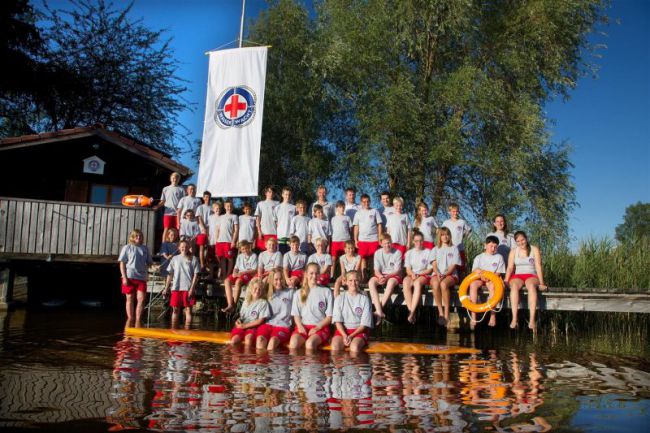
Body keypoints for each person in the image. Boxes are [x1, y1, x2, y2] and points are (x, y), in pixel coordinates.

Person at [505, 231, 547, 330]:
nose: (521, 242)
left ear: (526, 238)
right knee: (514, 287)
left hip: (531, 275)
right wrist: (506, 280)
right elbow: (510, 268)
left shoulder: (534, 249)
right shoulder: (514, 251)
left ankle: (532, 319)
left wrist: (541, 283)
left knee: (531, 286)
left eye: (522, 240)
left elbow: (538, 266)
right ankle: (514, 318)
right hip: (518, 275)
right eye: (518, 241)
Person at [288, 263, 334, 350]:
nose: (314, 276)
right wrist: (300, 326)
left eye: (316, 273)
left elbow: (329, 317)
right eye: (311, 273)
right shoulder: (298, 293)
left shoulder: (326, 291)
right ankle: (297, 364)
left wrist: (317, 328)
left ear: (319, 274)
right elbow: (296, 315)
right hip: (303, 326)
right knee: (293, 344)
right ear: (305, 274)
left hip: (320, 328)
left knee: (310, 344)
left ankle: (313, 363)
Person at [331, 270, 373, 353]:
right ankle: (340, 365)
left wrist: (351, 336)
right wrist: (344, 335)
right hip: (343, 331)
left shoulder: (364, 299)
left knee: (354, 348)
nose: (353, 283)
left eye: (356, 280)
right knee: (335, 347)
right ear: (346, 282)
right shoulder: (339, 298)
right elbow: (337, 321)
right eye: (350, 280)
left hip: (359, 331)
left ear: (359, 281)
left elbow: (364, 325)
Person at [469, 235, 506, 329]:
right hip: (479, 278)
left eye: (495, 247)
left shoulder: (499, 257)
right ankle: (473, 315)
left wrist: (490, 278)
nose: (493, 249)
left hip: (492, 279)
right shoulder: (479, 257)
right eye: (491, 246)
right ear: (485, 246)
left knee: (493, 287)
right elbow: (475, 269)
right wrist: (481, 275)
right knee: (473, 285)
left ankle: (492, 316)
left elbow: (499, 272)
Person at [118, 229, 153, 327]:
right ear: (132, 237)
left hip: (141, 277)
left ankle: (138, 320)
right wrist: (124, 277)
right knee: (130, 298)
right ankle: (130, 319)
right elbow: (122, 263)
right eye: (136, 236)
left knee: (141, 299)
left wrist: (152, 265)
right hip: (129, 276)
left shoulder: (145, 249)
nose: (139, 238)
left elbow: (149, 262)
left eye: (140, 236)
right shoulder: (127, 247)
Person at [164, 239, 200, 329]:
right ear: (179, 248)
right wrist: (166, 288)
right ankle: (174, 329)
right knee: (175, 310)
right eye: (182, 246)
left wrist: (192, 288)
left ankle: (187, 330)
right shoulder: (175, 259)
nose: (184, 248)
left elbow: (196, 275)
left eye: (186, 246)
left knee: (188, 310)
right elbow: (170, 274)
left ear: (189, 247)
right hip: (176, 287)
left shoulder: (194, 259)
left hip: (188, 288)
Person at [368, 233, 403, 324]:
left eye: (389, 243)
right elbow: (376, 270)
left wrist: (386, 277)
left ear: (391, 242)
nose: (387, 245)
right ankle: (380, 312)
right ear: (381, 244)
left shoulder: (397, 252)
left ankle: (379, 310)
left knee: (391, 282)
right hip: (382, 274)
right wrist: (380, 276)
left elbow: (397, 270)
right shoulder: (378, 253)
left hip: (393, 275)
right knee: (371, 282)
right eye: (385, 243)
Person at [430, 226, 461, 327]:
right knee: (435, 284)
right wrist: (438, 273)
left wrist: (445, 274)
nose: (445, 237)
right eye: (442, 235)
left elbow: (453, 265)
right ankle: (441, 313)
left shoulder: (454, 248)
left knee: (443, 284)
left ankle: (447, 313)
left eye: (447, 234)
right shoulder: (435, 249)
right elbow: (434, 264)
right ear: (439, 236)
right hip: (437, 273)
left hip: (451, 275)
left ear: (450, 236)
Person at [256, 270, 295, 350]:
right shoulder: (267, 293)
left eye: (281, 279)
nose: (279, 282)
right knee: (260, 341)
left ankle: (271, 362)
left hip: (283, 326)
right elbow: (256, 286)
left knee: (272, 342)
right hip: (268, 324)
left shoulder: (290, 292)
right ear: (271, 280)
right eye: (276, 279)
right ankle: (260, 362)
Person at [402, 232, 433, 324]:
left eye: (420, 241)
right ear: (413, 241)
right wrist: (412, 274)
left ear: (423, 241)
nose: (418, 243)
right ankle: (411, 311)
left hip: (424, 275)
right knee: (405, 281)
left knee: (417, 283)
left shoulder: (428, 252)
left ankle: (412, 312)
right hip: (412, 274)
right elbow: (408, 269)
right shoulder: (409, 253)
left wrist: (419, 275)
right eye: (416, 241)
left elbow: (430, 270)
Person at [230, 278, 271, 347]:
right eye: (255, 288)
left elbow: (260, 320)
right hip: (243, 326)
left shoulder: (263, 303)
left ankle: (247, 357)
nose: (257, 291)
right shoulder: (246, 302)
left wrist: (245, 326)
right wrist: (238, 321)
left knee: (248, 339)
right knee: (234, 340)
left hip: (253, 328)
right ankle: (235, 357)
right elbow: (241, 317)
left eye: (260, 289)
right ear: (251, 289)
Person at [353, 194, 383, 282]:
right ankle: (363, 277)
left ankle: (374, 276)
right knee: (363, 259)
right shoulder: (358, 213)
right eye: (364, 202)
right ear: (361, 202)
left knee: (374, 259)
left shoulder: (374, 211)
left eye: (368, 201)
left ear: (370, 201)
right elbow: (356, 227)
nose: (366, 203)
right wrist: (355, 239)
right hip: (362, 240)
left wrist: (380, 238)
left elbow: (379, 225)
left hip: (374, 239)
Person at [222, 240, 258, 314]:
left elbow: (254, 270)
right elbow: (236, 267)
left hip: (248, 274)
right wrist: (235, 272)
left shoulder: (254, 255)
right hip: (240, 273)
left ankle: (234, 305)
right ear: (240, 250)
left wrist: (242, 273)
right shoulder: (239, 256)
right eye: (243, 249)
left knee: (238, 282)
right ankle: (230, 304)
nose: (245, 250)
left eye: (246, 248)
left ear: (249, 247)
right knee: (226, 281)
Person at [156, 172, 185, 242]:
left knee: (177, 230)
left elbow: (183, 202)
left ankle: (178, 246)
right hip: (168, 213)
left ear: (179, 180)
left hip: (177, 214)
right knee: (166, 229)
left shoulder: (181, 189)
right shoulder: (165, 189)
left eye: (177, 178)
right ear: (170, 179)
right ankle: (164, 246)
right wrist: (157, 206)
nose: (175, 179)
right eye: (173, 177)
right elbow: (162, 201)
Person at [442, 203, 472, 271]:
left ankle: (461, 281)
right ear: (449, 212)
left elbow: (469, 230)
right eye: (453, 211)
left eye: (457, 211)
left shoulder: (462, 222)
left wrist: (463, 235)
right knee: (449, 269)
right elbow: (442, 234)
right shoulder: (446, 223)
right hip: (448, 249)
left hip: (459, 248)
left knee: (461, 269)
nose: (455, 213)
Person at [215, 199, 239, 279]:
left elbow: (236, 230)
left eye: (231, 206)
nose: (229, 207)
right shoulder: (220, 217)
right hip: (220, 241)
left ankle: (229, 275)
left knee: (230, 258)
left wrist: (233, 241)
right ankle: (224, 274)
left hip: (229, 241)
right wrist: (216, 240)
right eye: (227, 206)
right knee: (222, 259)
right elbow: (217, 229)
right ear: (225, 207)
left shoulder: (234, 216)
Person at [255, 186, 278, 252]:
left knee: (274, 253)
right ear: (266, 193)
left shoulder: (278, 203)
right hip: (264, 233)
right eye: (269, 192)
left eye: (273, 192)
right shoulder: (260, 204)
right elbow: (258, 219)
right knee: (263, 253)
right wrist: (259, 232)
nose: (271, 193)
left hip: (275, 233)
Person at [329, 201, 353, 265]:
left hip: (345, 241)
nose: (342, 208)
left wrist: (351, 240)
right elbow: (331, 231)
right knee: (333, 259)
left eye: (343, 207)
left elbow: (351, 230)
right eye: (340, 207)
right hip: (335, 241)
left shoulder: (347, 218)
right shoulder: (333, 219)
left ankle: (347, 274)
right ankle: (332, 275)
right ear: (336, 208)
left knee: (346, 258)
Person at [275, 187, 296, 254]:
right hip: (280, 235)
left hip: (290, 236)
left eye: (289, 194)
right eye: (286, 194)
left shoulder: (294, 207)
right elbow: (275, 221)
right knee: (281, 255)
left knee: (290, 255)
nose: (287, 196)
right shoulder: (277, 207)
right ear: (282, 195)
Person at [195, 191, 212, 271]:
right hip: (202, 230)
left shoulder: (212, 207)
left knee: (208, 248)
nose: (207, 198)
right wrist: (204, 228)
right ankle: (202, 264)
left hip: (210, 230)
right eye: (206, 197)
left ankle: (207, 264)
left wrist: (209, 229)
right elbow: (199, 218)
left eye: (208, 197)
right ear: (203, 198)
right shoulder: (200, 207)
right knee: (201, 248)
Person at [207, 201, 223, 277]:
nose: (218, 210)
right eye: (216, 208)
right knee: (210, 258)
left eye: (219, 208)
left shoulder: (223, 217)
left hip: (220, 241)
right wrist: (208, 237)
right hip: (211, 241)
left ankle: (219, 273)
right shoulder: (210, 217)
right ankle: (211, 274)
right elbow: (208, 228)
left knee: (219, 257)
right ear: (213, 209)